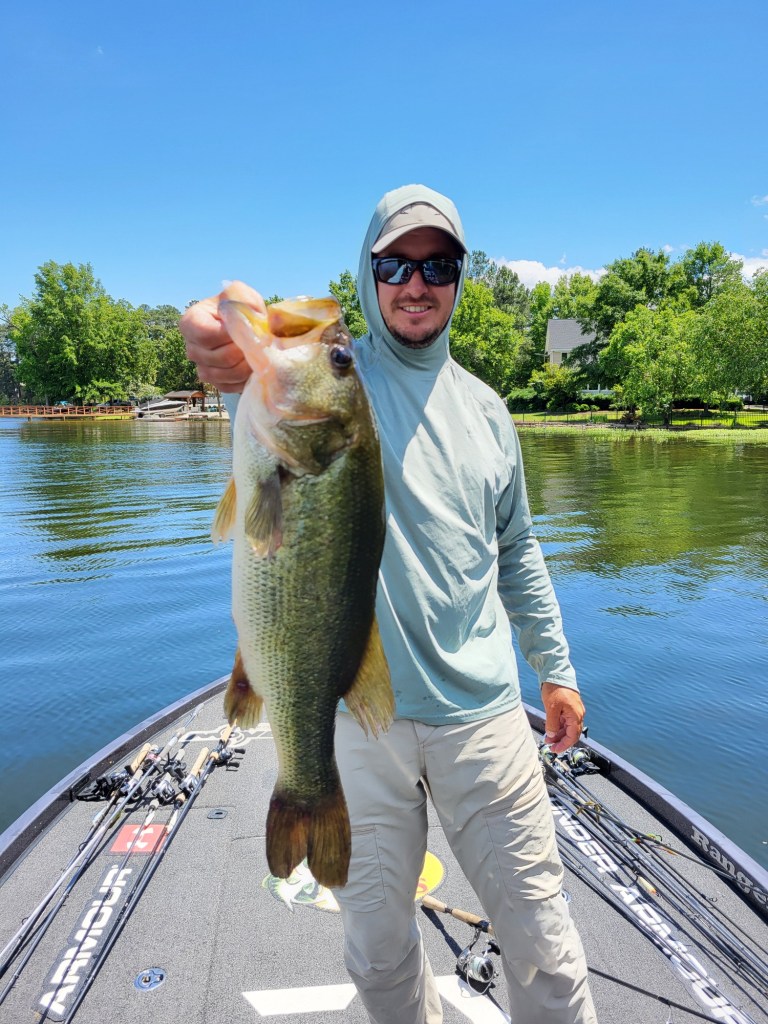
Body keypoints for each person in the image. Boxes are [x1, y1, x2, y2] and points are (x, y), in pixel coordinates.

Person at [180, 184, 598, 1024]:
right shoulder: (328, 377)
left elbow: (518, 550)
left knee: (546, 949)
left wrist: (556, 671)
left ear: (459, 279)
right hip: (355, 720)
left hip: (483, 718)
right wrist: (217, 324)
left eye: (438, 266)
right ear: (368, 272)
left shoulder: (490, 411)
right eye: (395, 264)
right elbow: (220, 314)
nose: (416, 283)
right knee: (378, 953)